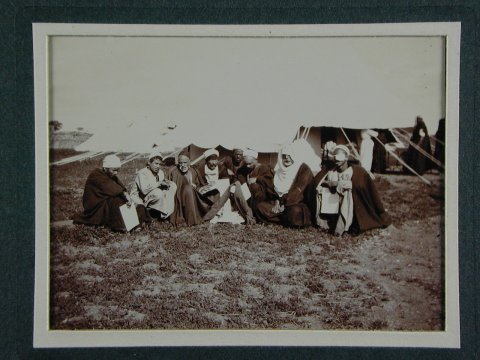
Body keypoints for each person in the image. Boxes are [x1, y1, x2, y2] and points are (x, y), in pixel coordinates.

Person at [314, 145, 391, 235]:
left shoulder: (355, 171)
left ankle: (344, 226)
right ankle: (327, 221)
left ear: (346, 157)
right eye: (334, 157)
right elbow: (318, 183)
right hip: (332, 203)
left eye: (339, 157)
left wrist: (339, 184)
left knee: (347, 192)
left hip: (349, 203)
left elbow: (358, 186)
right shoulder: (331, 172)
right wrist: (327, 184)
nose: (337, 160)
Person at [73, 154, 150, 232]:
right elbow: (113, 188)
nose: (116, 173)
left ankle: (132, 224)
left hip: (106, 204)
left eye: (117, 170)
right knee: (115, 201)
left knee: (136, 206)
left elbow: (120, 188)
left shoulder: (110, 175)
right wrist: (125, 196)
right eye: (113, 170)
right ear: (105, 168)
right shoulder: (96, 174)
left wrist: (127, 200)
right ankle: (125, 226)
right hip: (96, 207)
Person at [255, 143, 314, 228]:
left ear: (295, 155)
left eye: (289, 155)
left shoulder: (303, 169)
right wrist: (277, 201)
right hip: (279, 205)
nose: (286, 158)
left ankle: (281, 219)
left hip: (296, 203)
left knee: (295, 211)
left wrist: (284, 204)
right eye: (284, 156)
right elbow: (272, 191)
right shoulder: (278, 171)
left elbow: (298, 192)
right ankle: (283, 220)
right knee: (260, 207)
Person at [167, 151, 211, 226]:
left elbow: (200, 185)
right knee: (188, 189)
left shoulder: (194, 171)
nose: (183, 165)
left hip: (193, 198)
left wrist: (197, 187)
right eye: (180, 163)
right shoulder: (173, 172)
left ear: (189, 162)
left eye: (185, 162)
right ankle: (191, 220)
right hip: (179, 199)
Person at [130, 150, 177, 219]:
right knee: (158, 193)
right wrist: (159, 183)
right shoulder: (143, 173)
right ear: (149, 163)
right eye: (156, 163)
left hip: (152, 196)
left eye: (160, 164)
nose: (158, 166)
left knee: (172, 185)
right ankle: (153, 212)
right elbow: (144, 190)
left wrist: (167, 184)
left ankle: (167, 213)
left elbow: (161, 184)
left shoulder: (160, 172)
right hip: (140, 198)